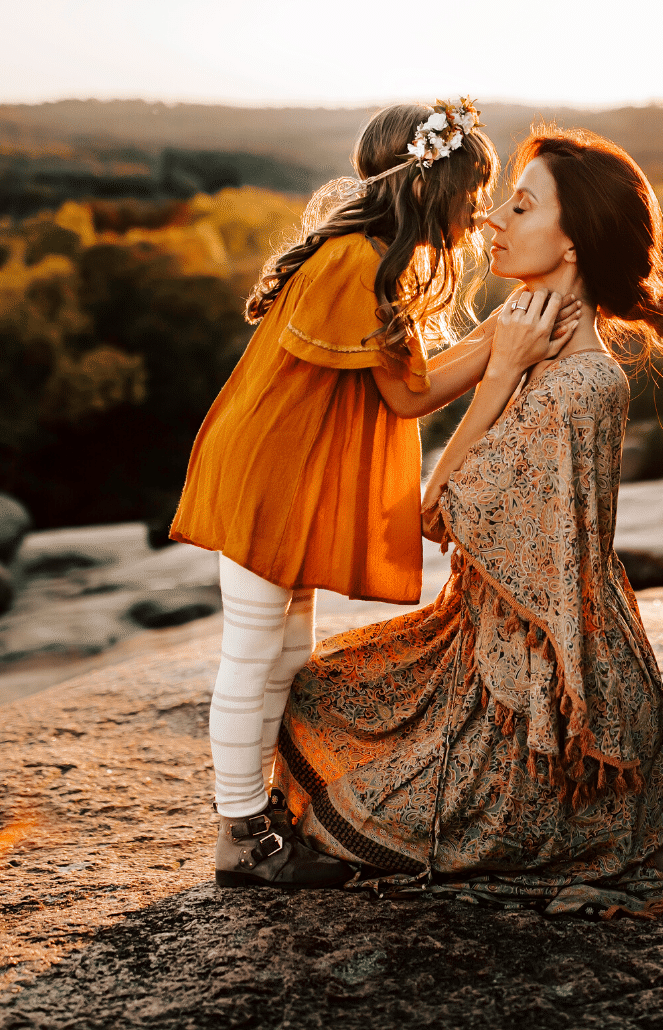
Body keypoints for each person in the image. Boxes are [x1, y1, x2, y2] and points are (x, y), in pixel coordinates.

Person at [275, 127, 663, 916]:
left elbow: (439, 509)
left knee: (356, 793)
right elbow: (413, 391)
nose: (493, 221)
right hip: (478, 637)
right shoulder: (526, 317)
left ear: (573, 245)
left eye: (522, 205)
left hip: (533, 690)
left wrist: (501, 374)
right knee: (312, 697)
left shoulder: (584, 387)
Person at [170, 99, 579, 888]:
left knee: (285, 652)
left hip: (294, 475)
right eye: (474, 187)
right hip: (270, 478)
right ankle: (239, 835)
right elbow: (408, 397)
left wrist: (501, 337)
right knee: (253, 655)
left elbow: (409, 382)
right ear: (435, 184)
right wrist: (503, 345)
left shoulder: (369, 253)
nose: (479, 210)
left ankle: (262, 814)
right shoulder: (356, 262)